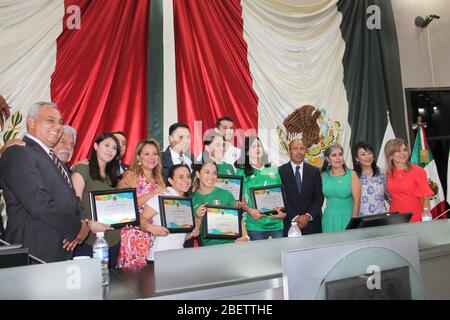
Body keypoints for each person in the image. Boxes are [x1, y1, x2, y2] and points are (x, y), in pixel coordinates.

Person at [0, 102, 89, 262]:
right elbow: (39, 203)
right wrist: (76, 228)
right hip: (34, 254)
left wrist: (83, 222)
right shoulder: (18, 153)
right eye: (50, 120)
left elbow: (72, 197)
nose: (58, 126)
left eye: (60, 122)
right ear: (31, 122)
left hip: (60, 253)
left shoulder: (55, 159)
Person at [71, 133, 120, 267]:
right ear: (95, 146)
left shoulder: (113, 176)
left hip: (113, 241)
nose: (110, 150)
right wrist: (89, 223)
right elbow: (74, 205)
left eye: (114, 148)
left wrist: (125, 220)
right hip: (89, 240)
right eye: (107, 145)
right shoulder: (82, 169)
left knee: (111, 283)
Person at [116, 139, 167, 268]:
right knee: (131, 281)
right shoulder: (130, 176)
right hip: (133, 235)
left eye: (155, 154)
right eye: (147, 154)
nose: (151, 157)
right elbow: (123, 207)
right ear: (138, 157)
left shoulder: (160, 181)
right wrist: (151, 193)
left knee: (150, 281)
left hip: (154, 237)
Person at [141, 164, 199, 262]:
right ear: (170, 181)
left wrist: (191, 234)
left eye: (188, 176)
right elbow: (141, 219)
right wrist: (149, 227)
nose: (186, 180)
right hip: (158, 257)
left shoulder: (185, 202)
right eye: (180, 177)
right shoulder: (162, 196)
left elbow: (180, 236)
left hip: (178, 256)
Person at [235, 136, 285, 240]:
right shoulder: (241, 171)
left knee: (277, 255)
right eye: (253, 147)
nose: (257, 149)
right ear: (247, 152)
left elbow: (281, 193)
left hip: (277, 224)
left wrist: (283, 212)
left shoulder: (272, 169)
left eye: (259, 146)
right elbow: (239, 199)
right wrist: (250, 211)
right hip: (255, 224)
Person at [191, 162, 249, 246]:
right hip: (208, 249)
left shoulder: (226, 194)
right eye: (207, 172)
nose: (211, 176)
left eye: (214, 173)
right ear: (198, 174)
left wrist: (245, 236)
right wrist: (198, 217)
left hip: (232, 245)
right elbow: (194, 232)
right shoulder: (192, 199)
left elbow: (237, 219)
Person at [278, 139, 324, 236]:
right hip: (289, 224)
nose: (299, 152)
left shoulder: (314, 171)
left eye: (302, 148)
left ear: (306, 151)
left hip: (312, 225)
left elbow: (319, 197)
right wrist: (295, 217)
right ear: (289, 151)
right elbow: (281, 199)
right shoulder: (280, 172)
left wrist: (307, 216)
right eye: (295, 149)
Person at [384, 138, 434, 222]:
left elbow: (425, 198)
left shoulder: (418, 171)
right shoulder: (388, 172)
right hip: (395, 217)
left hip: (414, 216)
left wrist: (426, 219)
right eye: (398, 151)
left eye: (405, 150)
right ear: (390, 155)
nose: (403, 153)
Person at [321, 143, 361, 233]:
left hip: (347, 217)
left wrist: (353, 223)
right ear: (327, 159)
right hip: (329, 219)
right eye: (334, 155)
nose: (338, 158)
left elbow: (357, 201)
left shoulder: (352, 174)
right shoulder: (323, 176)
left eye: (340, 154)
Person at [352, 141, 387, 216]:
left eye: (369, 153)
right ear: (356, 158)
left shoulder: (383, 173)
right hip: (362, 218)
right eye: (363, 154)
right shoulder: (353, 176)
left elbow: (388, 193)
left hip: (381, 217)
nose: (368, 157)